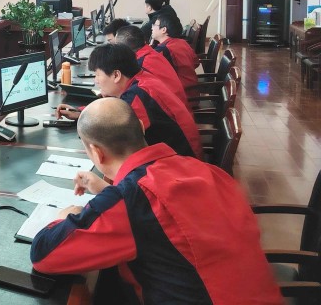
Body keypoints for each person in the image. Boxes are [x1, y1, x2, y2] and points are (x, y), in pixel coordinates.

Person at [31, 97, 283, 305]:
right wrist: (110, 190)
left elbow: (43, 255)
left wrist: (64, 217)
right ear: (141, 128)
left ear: (97, 153)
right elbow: (168, 220)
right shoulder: (205, 170)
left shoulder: (131, 201)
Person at [56, 43, 200, 158]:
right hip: (180, 157)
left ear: (116, 75)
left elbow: (115, 135)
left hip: (181, 164)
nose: (96, 81)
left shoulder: (137, 96)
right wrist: (82, 113)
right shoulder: (141, 80)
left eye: (98, 75)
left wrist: (86, 120)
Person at [114, 25, 188, 106]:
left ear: (123, 49)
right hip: (178, 104)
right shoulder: (150, 53)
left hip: (169, 108)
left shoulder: (140, 65)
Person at [152, 13, 199, 96]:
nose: (152, 27)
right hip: (192, 90)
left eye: (154, 25)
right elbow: (196, 63)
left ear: (163, 30)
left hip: (180, 95)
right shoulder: (183, 42)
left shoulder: (164, 50)